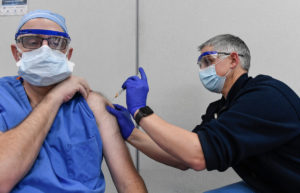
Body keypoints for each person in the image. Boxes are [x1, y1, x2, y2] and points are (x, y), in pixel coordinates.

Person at [107, 34, 300, 193]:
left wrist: (140, 110)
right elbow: (182, 157)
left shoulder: (265, 96)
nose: (202, 70)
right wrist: (132, 134)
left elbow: (196, 156)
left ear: (233, 59)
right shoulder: (221, 109)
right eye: (200, 64)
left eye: (208, 61)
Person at [0, 9, 147, 193]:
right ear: (16, 52)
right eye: (32, 41)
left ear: (67, 54)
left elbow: (129, 184)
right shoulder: (3, 97)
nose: (44, 49)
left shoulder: (92, 105)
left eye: (56, 42)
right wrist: (55, 97)